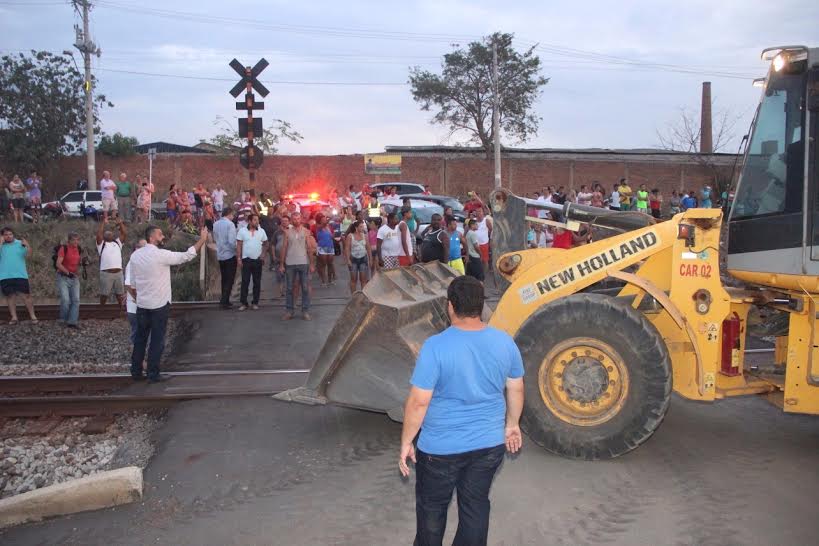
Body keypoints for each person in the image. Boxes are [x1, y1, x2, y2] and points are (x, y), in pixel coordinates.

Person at [399, 276, 524, 546]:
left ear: (450, 306)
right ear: (481, 306)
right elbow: (516, 388)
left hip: (440, 451)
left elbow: (419, 402)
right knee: (475, 506)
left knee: (432, 511)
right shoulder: (505, 342)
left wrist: (407, 442)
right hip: (489, 446)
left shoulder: (435, 346)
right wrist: (512, 424)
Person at [129, 225, 209, 382]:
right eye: (160, 234)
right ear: (151, 238)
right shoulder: (160, 255)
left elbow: (133, 284)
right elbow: (187, 255)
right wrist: (202, 239)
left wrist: (140, 298)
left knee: (140, 339)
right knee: (157, 340)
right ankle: (153, 373)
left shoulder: (135, 256)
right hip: (159, 305)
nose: (162, 237)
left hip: (142, 305)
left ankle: (136, 371)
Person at [280, 212, 315, 321]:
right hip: (290, 263)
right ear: (291, 220)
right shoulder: (287, 232)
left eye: (298, 218)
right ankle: (289, 311)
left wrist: (312, 263)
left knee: (305, 288)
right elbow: (284, 248)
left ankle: (305, 311)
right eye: (294, 219)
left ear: (301, 219)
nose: (296, 220)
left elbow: (309, 248)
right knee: (289, 288)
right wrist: (281, 264)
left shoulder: (306, 232)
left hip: (303, 262)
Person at [0, 227, 37, 324]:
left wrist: (27, 245)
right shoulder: (1, 245)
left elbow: (29, 255)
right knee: (10, 296)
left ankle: (33, 316)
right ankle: (14, 317)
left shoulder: (19, 243)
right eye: (6, 234)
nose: (8, 236)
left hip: (20, 274)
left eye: (10, 234)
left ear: (13, 235)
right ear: (2, 236)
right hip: (5, 275)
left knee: (26, 296)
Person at [236, 213, 268, 311]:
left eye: (257, 220)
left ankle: (255, 302)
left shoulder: (262, 231)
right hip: (246, 260)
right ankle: (244, 303)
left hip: (257, 260)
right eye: (254, 220)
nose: (257, 222)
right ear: (249, 221)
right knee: (245, 281)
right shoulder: (242, 231)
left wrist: (263, 255)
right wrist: (239, 258)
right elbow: (239, 245)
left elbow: (266, 244)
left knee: (257, 282)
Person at [96, 215, 127, 305]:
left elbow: (124, 233)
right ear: (104, 236)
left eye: (110, 233)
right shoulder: (101, 244)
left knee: (120, 294)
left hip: (118, 273)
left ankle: (121, 311)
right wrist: (103, 222)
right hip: (106, 273)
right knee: (104, 294)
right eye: (107, 233)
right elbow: (99, 234)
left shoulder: (117, 243)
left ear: (113, 235)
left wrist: (120, 223)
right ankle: (102, 309)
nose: (109, 234)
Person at [55, 232, 83, 329]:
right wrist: (67, 272)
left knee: (76, 300)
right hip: (63, 276)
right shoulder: (64, 249)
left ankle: (72, 321)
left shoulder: (78, 249)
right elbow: (58, 264)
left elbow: (77, 263)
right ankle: (63, 319)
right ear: (69, 240)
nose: (76, 242)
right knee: (66, 299)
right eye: (74, 240)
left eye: (77, 239)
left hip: (74, 277)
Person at [124, 238, 148, 347]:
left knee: (143, 332)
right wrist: (137, 298)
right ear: (137, 248)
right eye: (144, 247)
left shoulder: (141, 262)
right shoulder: (132, 263)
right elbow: (128, 284)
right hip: (135, 307)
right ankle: (138, 359)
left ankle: (140, 357)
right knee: (138, 333)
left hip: (141, 305)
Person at [213, 206, 238, 309]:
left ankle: (225, 300)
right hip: (229, 254)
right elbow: (232, 241)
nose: (233, 216)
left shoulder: (216, 224)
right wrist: (237, 250)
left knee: (224, 278)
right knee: (230, 279)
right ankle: (224, 301)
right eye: (233, 214)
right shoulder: (230, 224)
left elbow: (215, 238)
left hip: (220, 254)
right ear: (229, 213)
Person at [345, 220, 371, 293]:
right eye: (361, 227)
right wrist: (348, 260)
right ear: (356, 227)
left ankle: (363, 297)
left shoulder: (365, 236)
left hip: (363, 259)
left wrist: (370, 259)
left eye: (363, 226)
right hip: (353, 259)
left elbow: (368, 247)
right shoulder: (350, 236)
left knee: (363, 279)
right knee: (353, 279)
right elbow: (347, 248)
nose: (362, 228)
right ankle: (354, 297)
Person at [271, 215, 290, 297]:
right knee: (279, 275)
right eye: (283, 221)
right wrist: (273, 255)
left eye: (286, 221)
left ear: (289, 222)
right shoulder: (277, 232)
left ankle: (289, 290)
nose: (284, 222)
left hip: (289, 257)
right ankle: (280, 291)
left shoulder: (291, 232)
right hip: (278, 258)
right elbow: (273, 245)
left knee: (289, 275)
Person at [315, 215, 336, 287]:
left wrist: (333, 235)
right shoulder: (318, 227)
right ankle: (323, 281)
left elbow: (331, 236)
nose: (324, 220)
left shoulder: (328, 227)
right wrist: (329, 219)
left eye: (325, 219)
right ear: (320, 221)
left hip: (330, 246)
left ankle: (330, 280)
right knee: (323, 264)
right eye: (323, 219)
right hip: (322, 247)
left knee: (330, 264)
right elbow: (322, 225)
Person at [474, 207, 492, 272]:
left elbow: (491, 230)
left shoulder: (486, 221)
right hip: (475, 244)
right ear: (475, 213)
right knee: (476, 260)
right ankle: (477, 272)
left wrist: (489, 239)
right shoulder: (473, 221)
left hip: (484, 244)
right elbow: (468, 230)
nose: (479, 213)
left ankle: (484, 275)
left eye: (480, 211)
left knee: (485, 260)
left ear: (483, 212)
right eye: (477, 211)